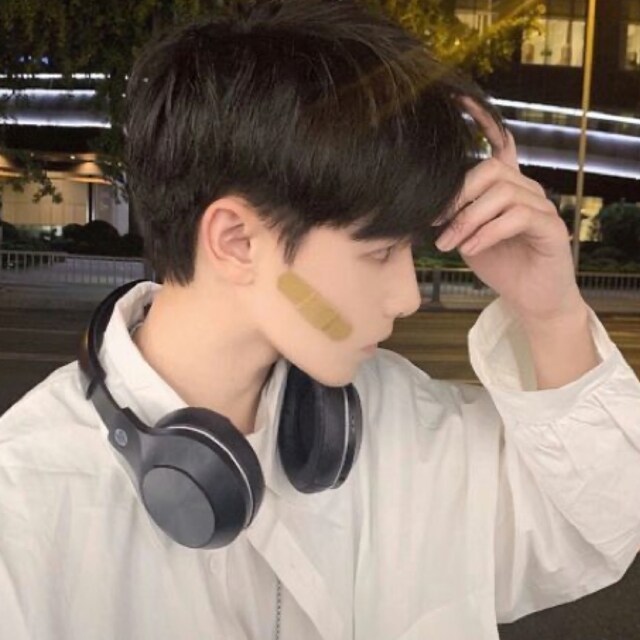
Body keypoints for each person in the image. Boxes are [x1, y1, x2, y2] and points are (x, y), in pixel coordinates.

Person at [1, 1, 639, 639]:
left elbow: (600, 523)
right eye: (380, 252)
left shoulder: (403, 423)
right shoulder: (25, 506)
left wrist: (551, 313)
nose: (408, 297)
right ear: (237, 241)